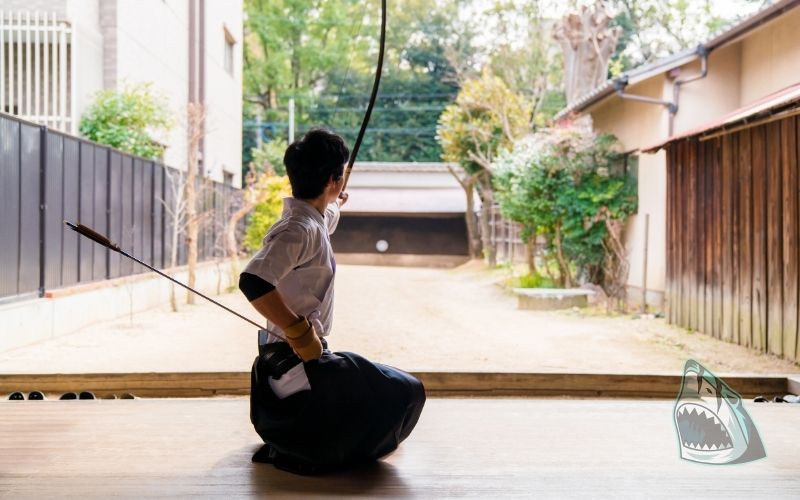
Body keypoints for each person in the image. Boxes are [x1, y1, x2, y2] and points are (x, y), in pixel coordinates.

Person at [239, 128, 426, 475]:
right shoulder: (298, 228)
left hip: (297, 357)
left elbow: (323, 220)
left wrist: (334, 198)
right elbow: (253, 281)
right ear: (333, 180)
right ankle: (304, 439)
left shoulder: (310, 219)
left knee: (381, 389)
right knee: (405, 392)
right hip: (292, 362)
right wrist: (299, 333)